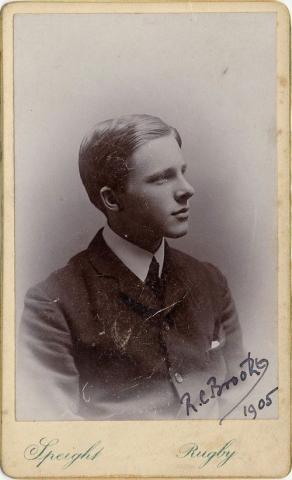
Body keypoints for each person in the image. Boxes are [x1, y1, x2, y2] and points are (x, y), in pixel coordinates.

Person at [17, 114, 244, 421]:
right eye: (162, 178)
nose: (187, 189)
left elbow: (242, 398)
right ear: (112, 199)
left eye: (182, 172)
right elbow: (52, 430)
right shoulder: (53, 304)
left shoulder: (210, 281)